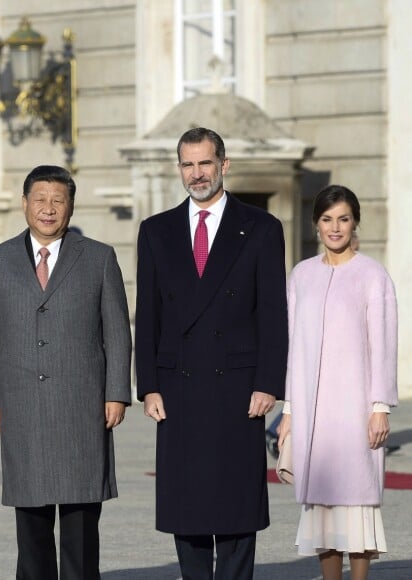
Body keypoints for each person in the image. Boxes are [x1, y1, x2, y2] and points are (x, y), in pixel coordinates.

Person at [134, 127, 288, 580]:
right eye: (187, 164)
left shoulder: (262, 227)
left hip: (239, 387)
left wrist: (268, 382)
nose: (196, 174)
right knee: (189, 507)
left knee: (237, 507)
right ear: (179, 168)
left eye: (205, 163)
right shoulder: (156, 230)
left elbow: (273, 313)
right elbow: (150, 314)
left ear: (224, 164)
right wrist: (150, 386)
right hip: (178, 385)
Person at [0, 164, 132, 580]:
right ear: (24, 203)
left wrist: (116, 392)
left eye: (57, 201)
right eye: (40, 200)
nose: (48, 209)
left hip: (82, 408)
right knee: (31, 527)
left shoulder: (98, 257)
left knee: (81, 527)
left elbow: (117, 332)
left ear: (71, 206)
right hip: (22, 406)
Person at [278, 184, 398, 580]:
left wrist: (379, 407)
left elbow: (383, 344)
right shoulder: (301, 276)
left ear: (354, 222)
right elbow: (294, 348)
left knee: (357, 506)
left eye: (343, 219)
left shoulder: (373, 275)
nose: (335, 227)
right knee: (324, 510)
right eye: (328, 219)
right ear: (316, 224)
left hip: (356, 409)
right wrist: (290, 411)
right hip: (313, 413)